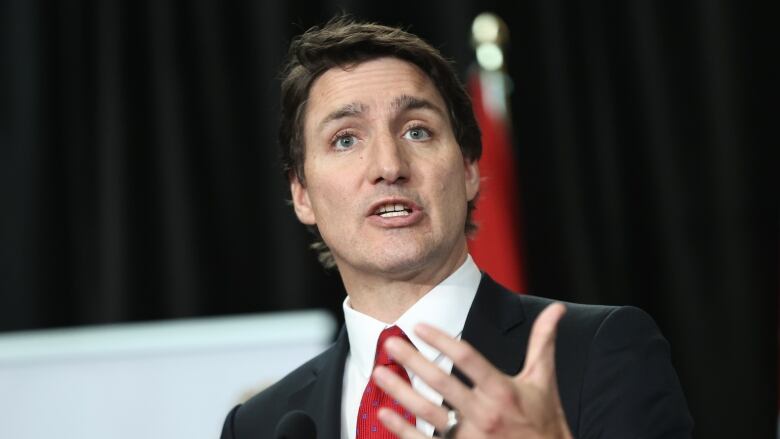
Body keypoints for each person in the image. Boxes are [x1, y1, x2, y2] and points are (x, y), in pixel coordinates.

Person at [220, 16, 693, 439]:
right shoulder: (263, 424)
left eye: (417, 131)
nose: (389, 165)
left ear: (468, 170)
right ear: (302, 194)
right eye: (345, 139)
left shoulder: (599, 354)